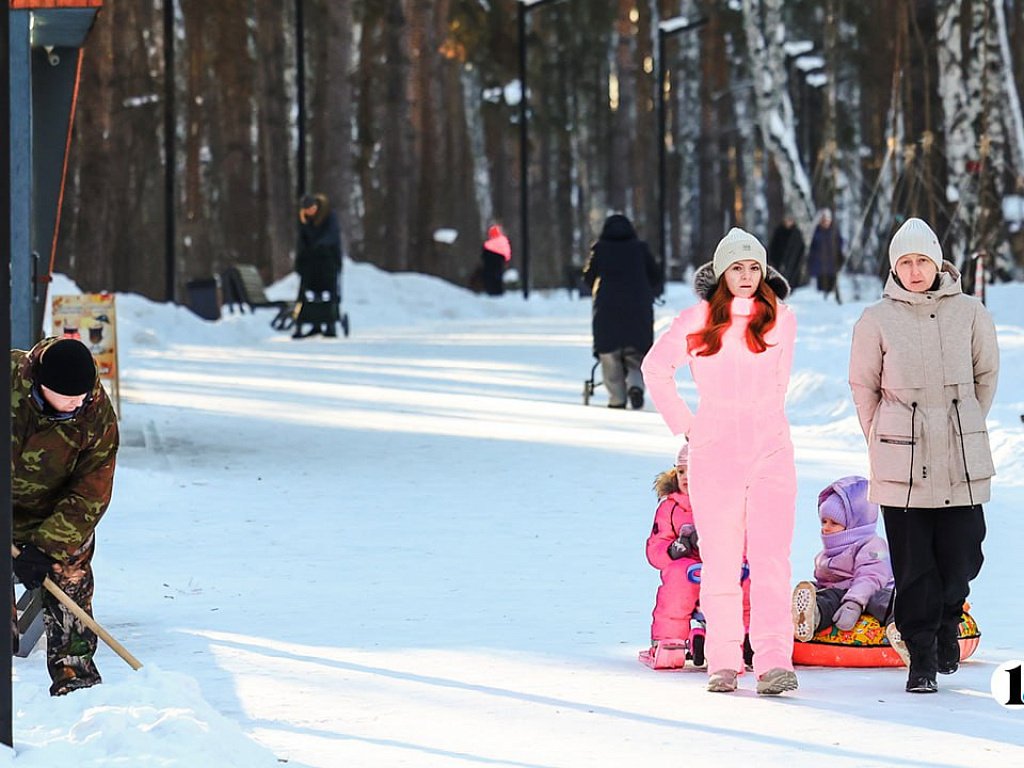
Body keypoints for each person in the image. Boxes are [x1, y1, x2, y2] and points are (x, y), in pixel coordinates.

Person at [642, 227, 798, 695]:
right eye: (737, 267)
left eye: (754, 267)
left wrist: (764, 425)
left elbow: (778, 385)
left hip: (771, 449)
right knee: (721, 560)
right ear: (721, 272)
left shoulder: (781, 320)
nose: (747, 276)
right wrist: (688, 425)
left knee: (772, 559)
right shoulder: (695, 320)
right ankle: (723, 661)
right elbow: (655, 368)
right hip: (715, 452)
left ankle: (773, 661)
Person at [849, 216, 999, 694]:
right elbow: (863, 386)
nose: (914, 270)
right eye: (905, 262)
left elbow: (986, 378)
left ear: (937, 262)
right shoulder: (875, 319)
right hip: (901, 459)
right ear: (895, 267)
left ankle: (948, 620)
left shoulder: (971, 313)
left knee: (962, 556)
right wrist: (885, 435)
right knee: (914, 565)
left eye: (922, 260)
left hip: (960, 455)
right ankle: (922, 657)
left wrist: (963, 423)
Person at [10, 337, 119, 696]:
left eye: (82, 396)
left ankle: (76, 679)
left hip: (54, 512)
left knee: (69, 573)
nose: (78, 402)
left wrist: (47, 547)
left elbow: (92, 489)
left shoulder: (95, 413)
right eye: (67, 396)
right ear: (40, 385)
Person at [646, 444, 753, 669]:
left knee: (746, 582)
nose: (686, 477)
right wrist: (674, 549)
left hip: (723, 562)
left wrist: (726, 549)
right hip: (689, 567)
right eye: (681, 471)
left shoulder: (726, 504)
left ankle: (745, 637)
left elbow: (744, 536)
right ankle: (670, 641)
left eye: (693, 471)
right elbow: (657, 545)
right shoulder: (671, 508)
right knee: (677, 581)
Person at [791, 476, 895, 642]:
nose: (826, 528)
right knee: (826, 596)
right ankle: (811, 617)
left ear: (855, 523)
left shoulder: (873, 545)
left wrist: (854, 602)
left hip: (873, 592)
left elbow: (871, 578)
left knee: (886, 601)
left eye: (834, 523)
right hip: (841, 596)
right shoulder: (826, 554)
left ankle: (900, 628)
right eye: (824, 521)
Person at [583, 213, 661, 410]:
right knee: (637, 354)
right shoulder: (640, 249)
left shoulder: (599, 249)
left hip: (607, 308)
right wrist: (651, 291)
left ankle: (617, 398)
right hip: (638, 308)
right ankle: (635, 386)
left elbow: (588, 277)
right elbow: (655, 276)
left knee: (609, 354)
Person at [294, 193, 343, 338]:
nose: (310, 211)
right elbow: (301, 241)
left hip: (328, 260)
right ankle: (310, 324)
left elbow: (333, 236)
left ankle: (330, 323)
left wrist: (320, 245)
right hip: (310, 262)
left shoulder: (329, 216)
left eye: (312, 208)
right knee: (307, 291)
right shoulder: (304, 221)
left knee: (330, 291)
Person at [807, 208, 843, 303]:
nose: (825, 222)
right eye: (823, 220)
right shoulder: (816, 232)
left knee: (832, 289)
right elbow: (812, 250)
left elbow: (840, 247)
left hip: (832, 266)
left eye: (827, 220)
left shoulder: (834, 232)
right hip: (820, 267)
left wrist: (840, 260)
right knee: (821, 291)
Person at [767, 214, 806, 288]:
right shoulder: (779, 231)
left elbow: (800, 249)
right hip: (779, 261)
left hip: (793, 263)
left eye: (790, 220)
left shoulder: (797, 233)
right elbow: (773, 246)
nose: (789, 222)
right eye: (787, 220)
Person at [480, 224, 511, 296]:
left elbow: (484, 256)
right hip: (497, 267)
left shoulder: (488, 244)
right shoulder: (501, 243)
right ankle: (497, 292)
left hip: (489, 268)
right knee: (497, 280)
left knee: (491, 280)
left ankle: (491, 291)